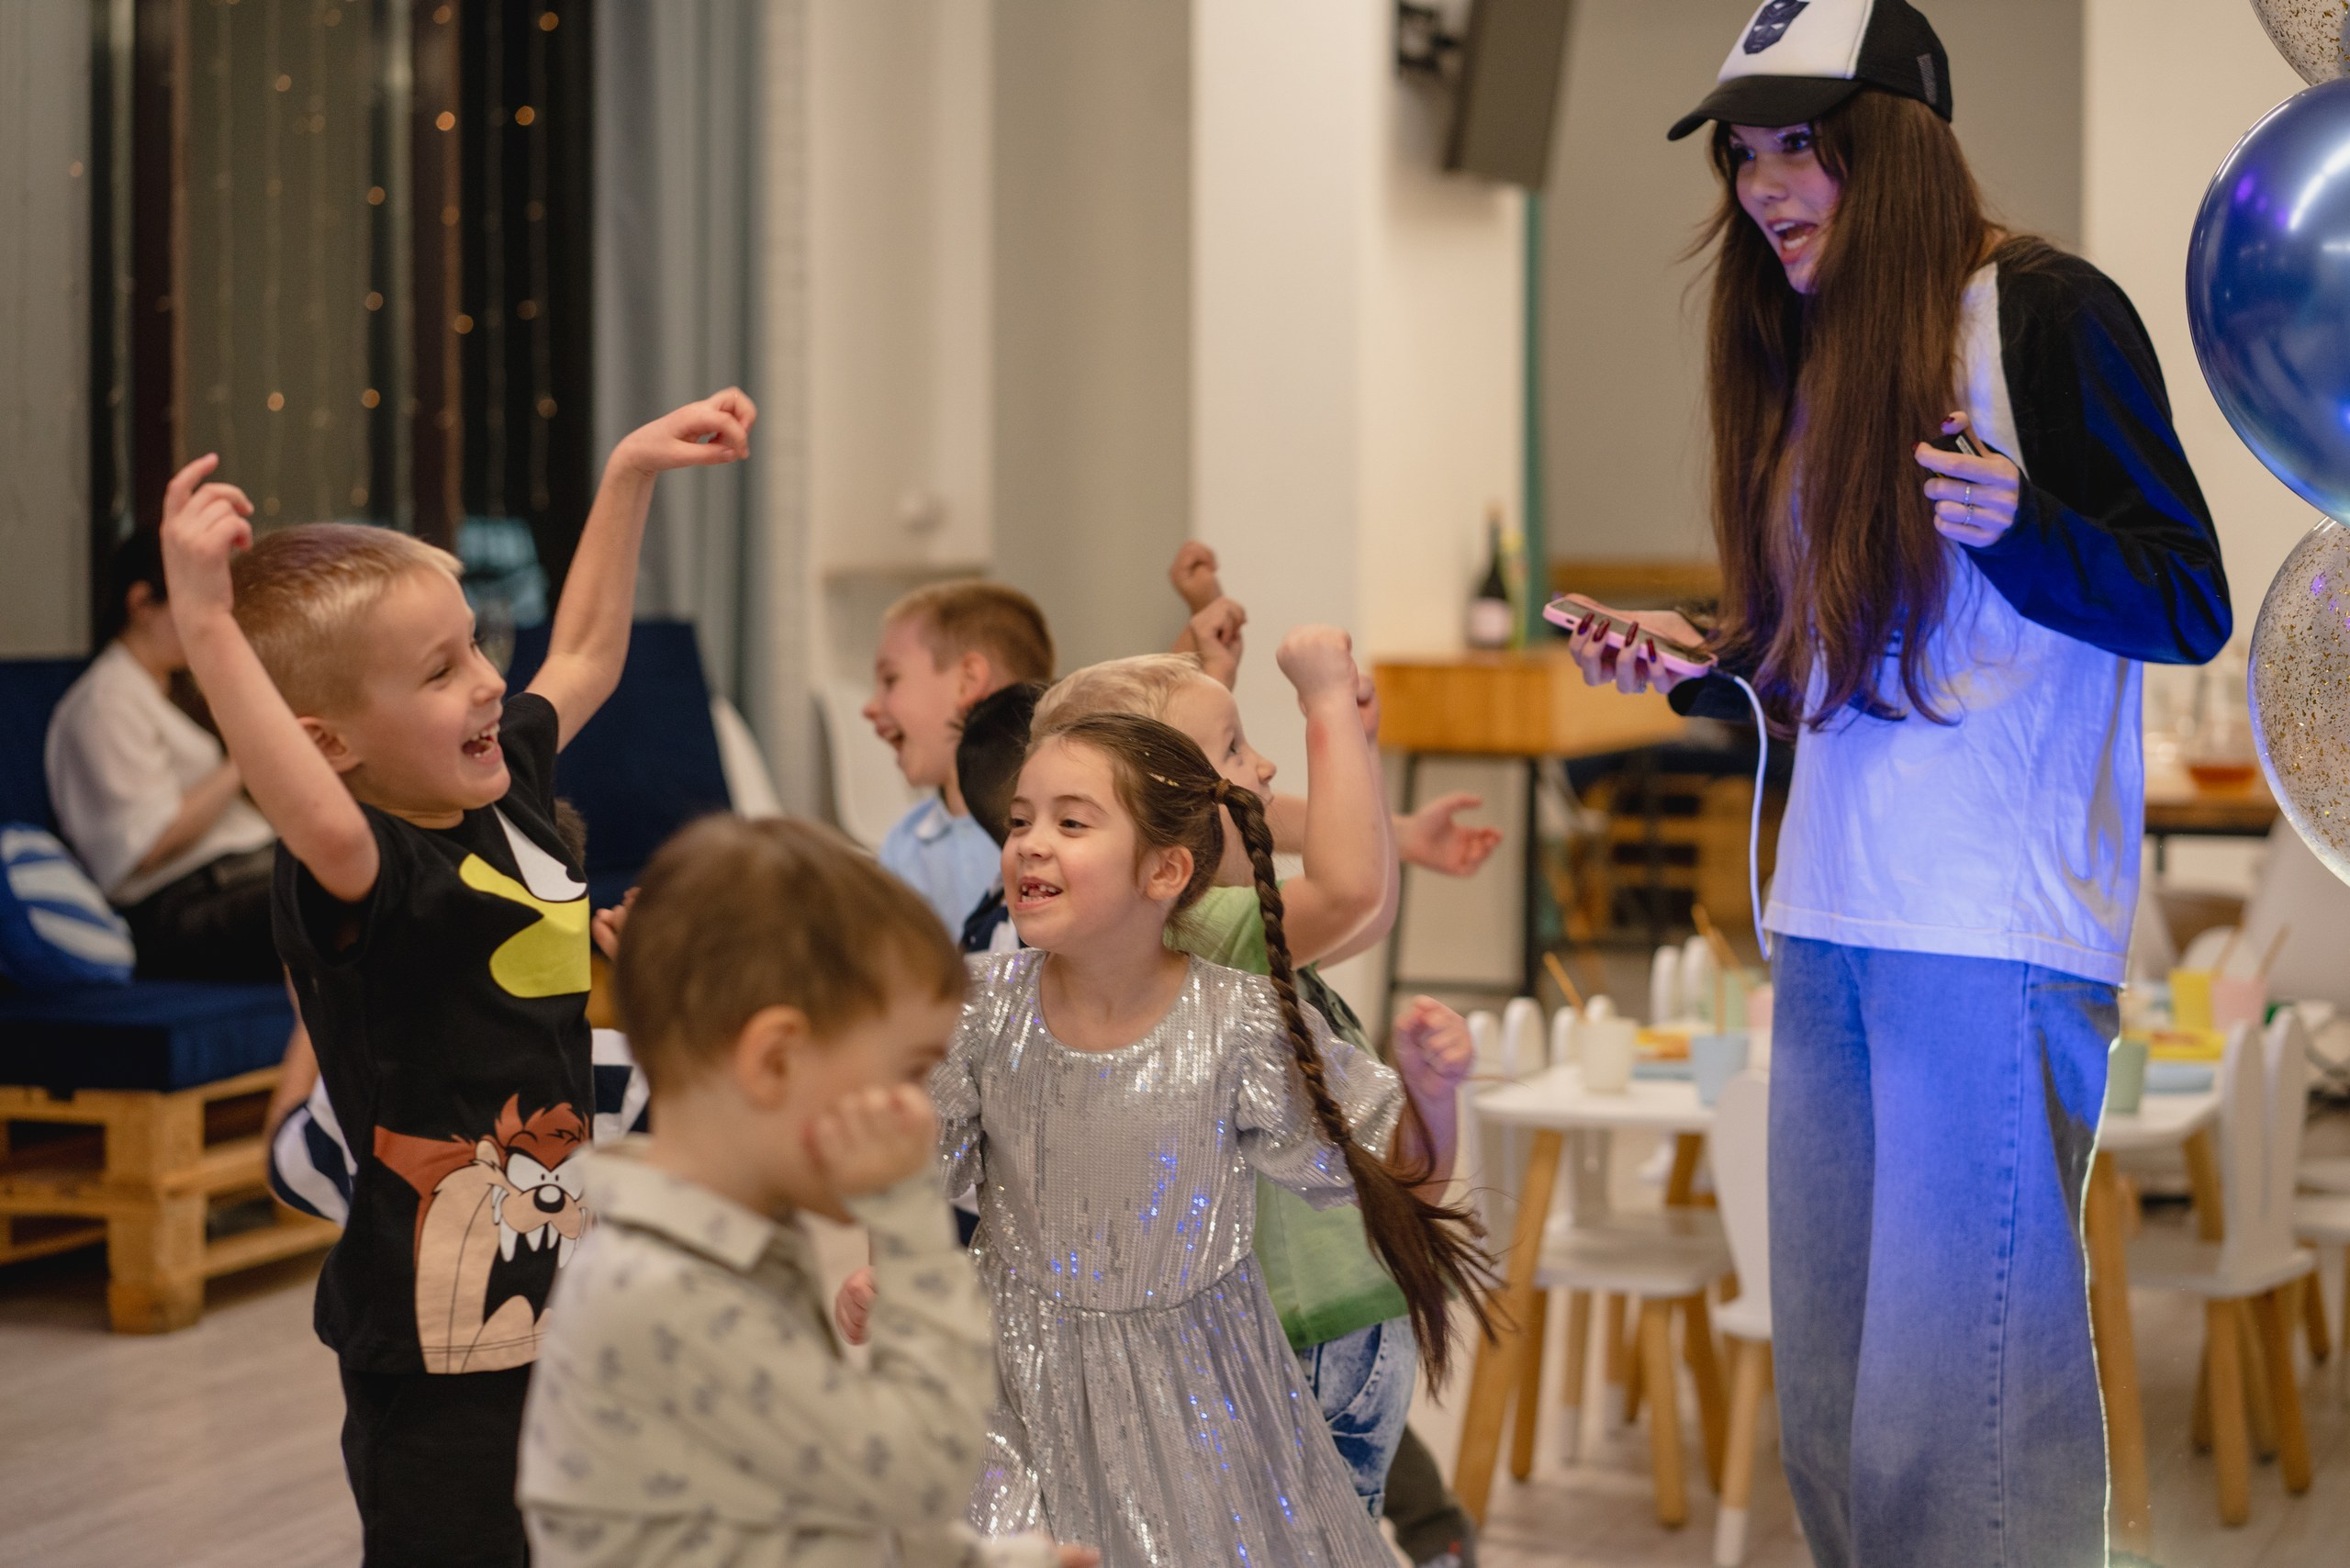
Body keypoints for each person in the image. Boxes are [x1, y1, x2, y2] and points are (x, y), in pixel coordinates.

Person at [1567, 5, 2229, 1563]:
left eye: (1802, 145)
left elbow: (2185, 595)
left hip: (1988, 932)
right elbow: (1838, 666)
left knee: (1961, 1434)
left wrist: (2024, 525)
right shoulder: (1810, 348)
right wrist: (1707, 659)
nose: (1765, 185)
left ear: (1900, 146)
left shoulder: (2047, 314)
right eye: (1744, 152)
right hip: (1833, 921)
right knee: (1842, 1425)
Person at [159, 387, 755, 1568]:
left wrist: (628, 470)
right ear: (331, 740)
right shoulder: (364, 865)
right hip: (439, 1333)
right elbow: (292, 790)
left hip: (564, 1281)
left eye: (474, 643)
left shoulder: (509, 782)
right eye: (439, 673)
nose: (487, 679)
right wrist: (207, 625)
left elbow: (584, 648)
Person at [936, 711, 1493, 1566]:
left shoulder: (1237, 1025)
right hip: (1017, 1392)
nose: (1030, 845)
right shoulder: (977, 1010)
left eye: (1071, 822)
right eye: (1020, 821)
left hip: (1207, 1408)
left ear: (1166, 869)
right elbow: (899, 1163)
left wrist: (1435, 1097)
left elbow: (1397, 1186)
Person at [518, 815, 1097, 1568]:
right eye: (906, 1070)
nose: (922, 1108)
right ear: (778, 1059)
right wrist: (908, 1226)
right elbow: (921, 1474)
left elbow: (819, 1500)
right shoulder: (668, 1291)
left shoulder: (719, 1250)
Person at [45, 529, 278, 980]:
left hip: (246, 875)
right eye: (198, 605)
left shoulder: (177, 688)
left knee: (381, 862)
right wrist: (243, 760)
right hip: (178, 907)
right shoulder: (105, 702)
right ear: (141, 604)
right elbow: (146, 845)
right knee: (339, 891)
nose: (215, 622)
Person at [865, 582, 1058, 933]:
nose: (870, 707)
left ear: (968, 681)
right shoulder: (905, 844)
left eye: (890, 680)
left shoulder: (1052, 839)